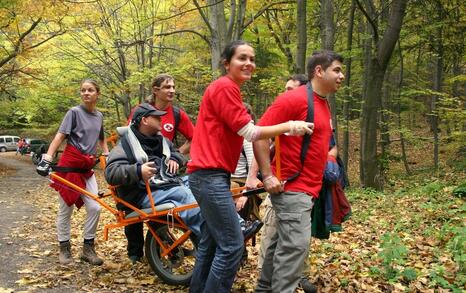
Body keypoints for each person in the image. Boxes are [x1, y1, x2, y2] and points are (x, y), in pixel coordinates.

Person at [187, 40, 313, 293]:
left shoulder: (228, 89)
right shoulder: (224, 87)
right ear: (226, 63)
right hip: (208, 177)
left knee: (211, 243)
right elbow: (251, 132)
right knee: (232, 246)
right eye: (241, 58)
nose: (249, 64)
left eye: (252, 59)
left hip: (213, 177)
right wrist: (290, 126)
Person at [253, 50, 345, 293]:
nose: (341, 75)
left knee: (278, 246)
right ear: (318, 71)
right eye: (336, 70)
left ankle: (263, 289)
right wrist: (267, 175)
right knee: (294, 249)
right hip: (293, 189)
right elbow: (258, 135)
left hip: (308, 191)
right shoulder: (294, 99)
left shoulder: (322, 102)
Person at [105, 103, 204, 264]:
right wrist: (138, 170)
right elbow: (111, 173)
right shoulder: (125, 145)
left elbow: (178, 154)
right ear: (144, 120)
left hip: (164, 184)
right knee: (182, 193)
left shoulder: (162, 141)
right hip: (140, 194)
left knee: (200, 183)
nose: (161, 119)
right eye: (156, 117)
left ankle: (230, 226)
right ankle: (208, 233)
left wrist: (175, 159)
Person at [36, 79, 109, 266]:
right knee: (65, 209)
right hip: (69, 166)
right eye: (83, 90)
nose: (86, 93)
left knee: (95, 207)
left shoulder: (99, 116)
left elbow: (101, 138)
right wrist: (47, 159)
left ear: (97, 94)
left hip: (86, 167)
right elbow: (60, 136)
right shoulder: (74, 113)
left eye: (90, 90)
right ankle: (64, 248)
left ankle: (88, 249)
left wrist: (107, 155)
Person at [127, 74, 194, 155]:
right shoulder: (140, 111)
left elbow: (195, 138)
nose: (172, 91)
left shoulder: (178, 114)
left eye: (173, 87)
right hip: (139, 162)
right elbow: (127, 135)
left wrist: (176, 155)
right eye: (167, 87)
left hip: (163, 163)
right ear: (155, 90)